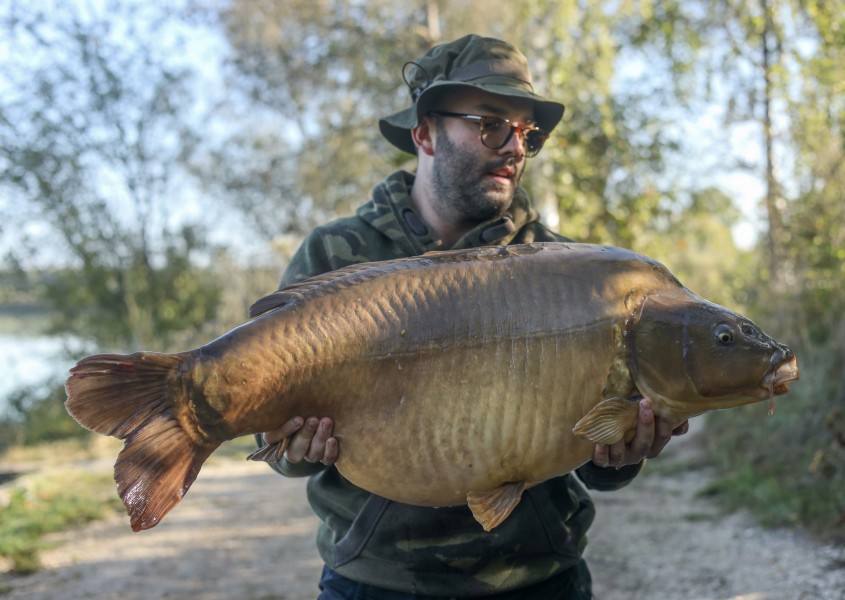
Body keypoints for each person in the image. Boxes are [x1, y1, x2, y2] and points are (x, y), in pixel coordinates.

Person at [258, 34, 688, 599]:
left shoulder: (573, 274)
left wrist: (622, 454)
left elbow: (592, 466)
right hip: (375, 581)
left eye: (525, 133)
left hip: (538, 579)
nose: (513, 146)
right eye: (491, 124)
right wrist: (294, 447)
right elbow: (279, 445)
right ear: (425, 132)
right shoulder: (336, 256)